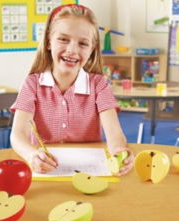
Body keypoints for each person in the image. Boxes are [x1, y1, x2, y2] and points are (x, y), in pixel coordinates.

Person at [10, 4, 134, 175]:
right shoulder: (32, 84)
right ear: (48, 42)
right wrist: (31, 155)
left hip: (89, 171)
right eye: (63, 39)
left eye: (83, 43)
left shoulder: (99, 85)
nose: (72, 50)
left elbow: (114, 134)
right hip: (46, 169)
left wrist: (119, 151)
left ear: (91, 50)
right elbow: (17, 134)